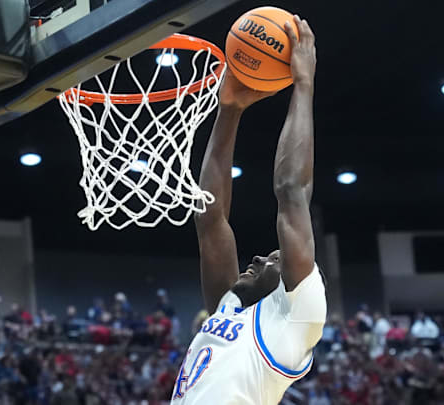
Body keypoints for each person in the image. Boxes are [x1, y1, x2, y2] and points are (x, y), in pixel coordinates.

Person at [171, 16, 325, 405]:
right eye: (273, 257)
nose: (258, 257)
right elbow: (210, 218)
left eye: (274, 258)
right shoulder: (230, 308)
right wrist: (229, 110)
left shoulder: (296, 316)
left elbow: (292, 190)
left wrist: (303, 86)